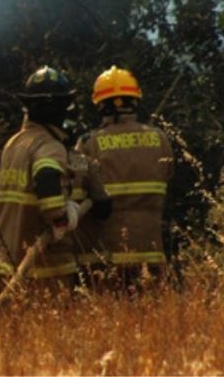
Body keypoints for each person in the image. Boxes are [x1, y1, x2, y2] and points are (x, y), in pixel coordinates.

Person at [0, 65, 86, 295]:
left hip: (7, 259)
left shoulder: (14, 143)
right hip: (42, 267)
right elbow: (46, 178)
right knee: (53, 330)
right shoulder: (50, 145)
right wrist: (62, 216)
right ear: (61, 108)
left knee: (14, 330)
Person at [74, 65, 175, 292]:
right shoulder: (160, 139)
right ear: (134, 101)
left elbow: (75, 189)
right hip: (152, 252)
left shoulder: (87, 143)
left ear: (100, 105)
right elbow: (168, 175)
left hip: (107, 258)